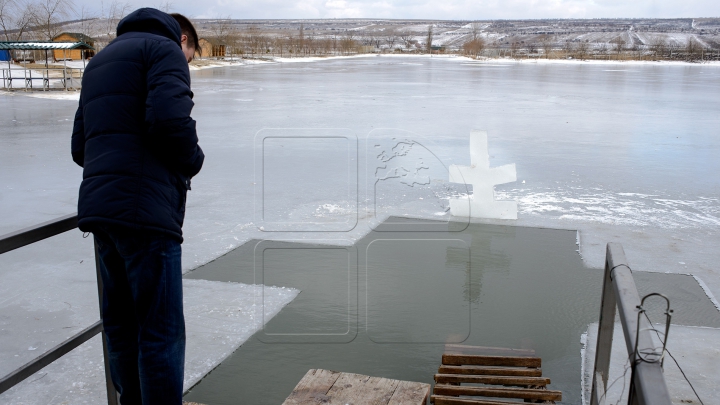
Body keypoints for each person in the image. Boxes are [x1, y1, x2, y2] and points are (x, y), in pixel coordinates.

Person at [71, 8, 204, 404]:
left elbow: (81, 147)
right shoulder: (163, 51)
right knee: (159, 330)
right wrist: (193, 161)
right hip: (146, 213)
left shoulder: (99, 61)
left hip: (101, 211)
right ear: (183, 40)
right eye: (192, 56)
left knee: (122, 326)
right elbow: (170, 121)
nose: (188, 63)